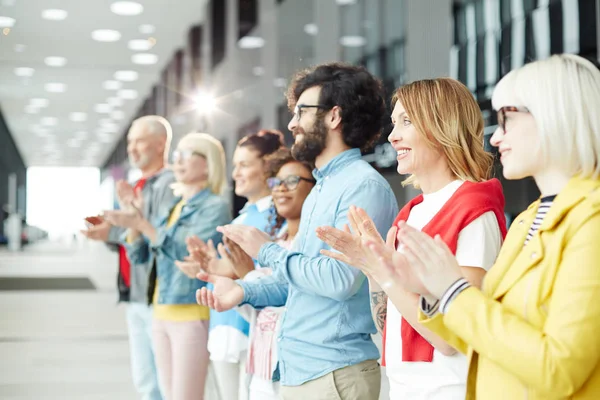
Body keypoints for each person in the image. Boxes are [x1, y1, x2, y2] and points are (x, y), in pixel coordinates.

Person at [373, 54, 600, 399]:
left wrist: (448, 291)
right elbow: (477, 332)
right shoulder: (528, 220)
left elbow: (557, 368)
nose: (494, 138)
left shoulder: (591, 223)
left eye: (507, 120)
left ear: (556, 117)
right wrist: (421, 286)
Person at [197, 62, 399, 400]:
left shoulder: (362, 187)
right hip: (306, 371)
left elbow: (338, 280)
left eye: (302, 112)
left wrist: (267, 250)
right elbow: (299, 279)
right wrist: (242, 291)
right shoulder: (323, 187)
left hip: (333, 372)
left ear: (334, 116)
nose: (292, 123)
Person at [315, 77, 507, 399]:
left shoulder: (475, 208)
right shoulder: (410, 214)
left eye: (406, 121)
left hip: (452, 389)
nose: (393, 136)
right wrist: (372, 269)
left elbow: (453, 336)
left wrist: (379, 270)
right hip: (405, 388)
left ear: (442, 125)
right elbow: (391, 322)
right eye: (394, 123)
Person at [104, 133, 231, 400]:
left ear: (207, 164)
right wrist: (135, 221)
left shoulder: (214, 206)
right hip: (161, 311)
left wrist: (143, 225)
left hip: (191, 312)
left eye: (187, 155)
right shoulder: (175, 205)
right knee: (166, 393)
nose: (178, 162)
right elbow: (140, 256)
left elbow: (186, 252)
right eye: (177, 156)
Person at [180, 130, 285, 400]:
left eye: (245, 164)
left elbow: (267, 274)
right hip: (225, 322)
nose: (236, 172)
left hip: (251, 327)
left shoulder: (278, 216)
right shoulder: (244, 215)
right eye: (235, 165)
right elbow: (233, 268)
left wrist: (227, 268)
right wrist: (208, 266)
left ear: (268, 166)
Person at [82, 115, 175, 400]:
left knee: (162, 381)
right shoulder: (138, 186)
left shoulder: (169, 185)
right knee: (146, 380)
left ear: (160, 144)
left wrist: (121, 230)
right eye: (130, 142)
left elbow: (160, 238)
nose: (132, 148)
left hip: (155, 295)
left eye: (139, 141)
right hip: (134, 293)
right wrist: (110, 232)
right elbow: (133, 234)